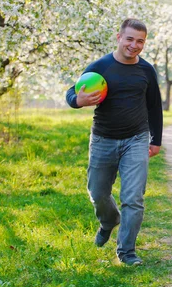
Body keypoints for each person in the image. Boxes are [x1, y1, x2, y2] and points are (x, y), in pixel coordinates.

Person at [65, 18, 163, 265]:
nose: (134, 45)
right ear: (119, 37)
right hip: (103, 139)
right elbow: (71, 92)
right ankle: (109, 221)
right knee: (97, 192)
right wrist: (79, 101)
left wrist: (156, 139)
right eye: (129, 39)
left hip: (136, 139)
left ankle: (126, 251)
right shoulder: (101, 66)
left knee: (133, 198)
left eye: (140, 41)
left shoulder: (146, 70)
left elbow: (154, 106)